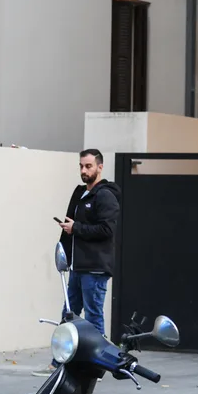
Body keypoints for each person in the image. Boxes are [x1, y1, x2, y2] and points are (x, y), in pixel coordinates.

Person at [35, 148, 121, 377]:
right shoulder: (80, 193)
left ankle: (98, 368)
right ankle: (59, 363)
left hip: (95, 267)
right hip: (76, 267)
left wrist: (77, 228)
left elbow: (107, 229)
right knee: (68, 315)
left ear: (100, 167)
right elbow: (69, 225)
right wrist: (62, 254)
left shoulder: (105, 195)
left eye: (89, 166)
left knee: (93, 318)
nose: (84, 170)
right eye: (81, 166)